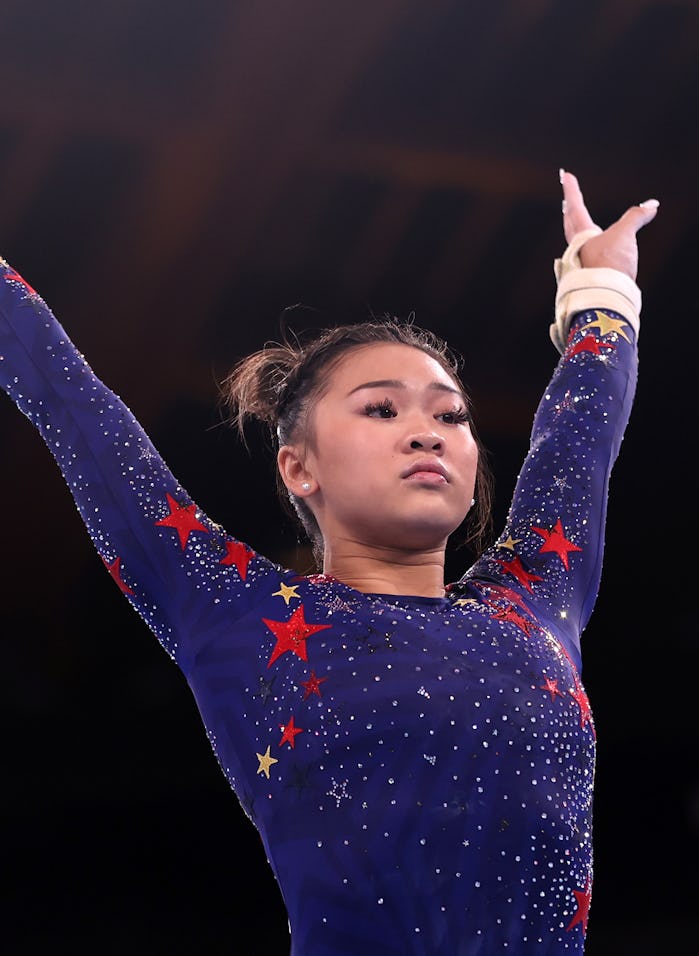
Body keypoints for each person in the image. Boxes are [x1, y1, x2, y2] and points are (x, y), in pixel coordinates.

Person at [0, 170, 657, 954]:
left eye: (450, 414)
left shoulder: (535, 596)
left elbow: (577, 444)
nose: (428, 431)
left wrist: (603, 293)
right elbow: (78, 411)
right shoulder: (239, 611)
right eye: (381, 408)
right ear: (297, 467)